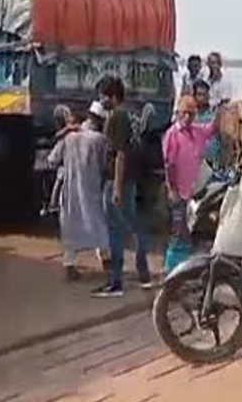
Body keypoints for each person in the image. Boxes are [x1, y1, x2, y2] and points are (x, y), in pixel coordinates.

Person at [92, 76, 153, 297]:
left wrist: (116, 187)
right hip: (130, 180)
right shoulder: (130, 114)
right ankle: (143, 274)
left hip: (117, 181)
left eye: (102, 96)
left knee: (115, 231)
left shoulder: (116, 116)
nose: (100, 100)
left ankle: (115, 283)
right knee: (134, 225)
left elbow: (119, 154)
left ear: (113, 96)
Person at [47, 105, 110, 283]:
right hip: (92, 190)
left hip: (71, 191)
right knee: (98, 224)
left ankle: (70, 267)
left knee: (71, 228)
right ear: (100, 120)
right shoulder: (100, 140)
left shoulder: (69, 138)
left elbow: (52, 160)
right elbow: (105, 166)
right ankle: (107, 263)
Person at [163, 95, 223, 272]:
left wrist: (220, 111)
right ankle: (171, 270)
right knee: (178, 231)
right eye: (184, 113)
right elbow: (169, 165)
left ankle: (185, 269)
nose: (188, 117)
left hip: (195, 191)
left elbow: (212, 129)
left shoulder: (197, 131)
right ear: (178, 113)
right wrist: (171, 189)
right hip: (178, 191)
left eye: (191, 114)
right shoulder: (172, 135)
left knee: (188, 231)